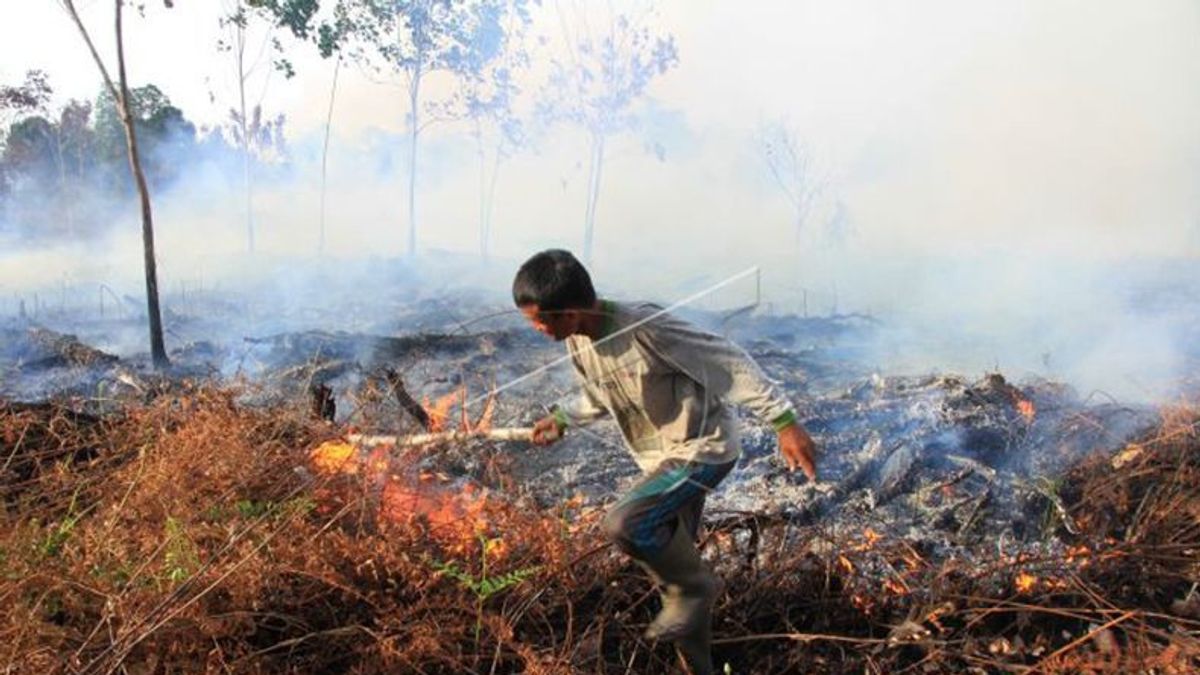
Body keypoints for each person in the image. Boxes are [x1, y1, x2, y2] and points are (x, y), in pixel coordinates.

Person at [513, 249, 818, 675]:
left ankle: (698, 587)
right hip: (659, 461)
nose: (538, 329)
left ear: (572, 310)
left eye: (541, 320)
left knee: (625, 524)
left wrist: (784, 421)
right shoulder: (579, 341)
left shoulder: (646, 328)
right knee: (670, 578)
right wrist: (564, 418)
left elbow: (726, 361)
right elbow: (602, 394)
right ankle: (699, 666)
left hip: (700, 450)